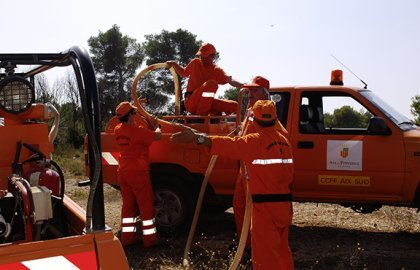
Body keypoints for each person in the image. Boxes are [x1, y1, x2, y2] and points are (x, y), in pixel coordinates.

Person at [171, 100, 295, 269]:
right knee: (281, 250)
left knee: (265, 256)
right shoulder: (284, 141)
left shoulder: (254, 141)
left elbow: (225, 145)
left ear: (254, 120)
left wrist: (197, 138)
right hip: (284, 206)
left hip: (264, 208)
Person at [114, 101, 162, 248]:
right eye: (133, 113)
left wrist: (135, 105)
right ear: (129, 116)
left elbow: (133, 130)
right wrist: (157, 124)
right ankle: (150, 240)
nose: (135, 115)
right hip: (138, 174)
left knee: (128, 206)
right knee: (146, 207)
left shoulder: (118, 129)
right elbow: (158, 136)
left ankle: (128, 239)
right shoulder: (138, 132)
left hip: (123, 173)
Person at [166, 43, 243, 115]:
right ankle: (201, 116)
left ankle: (212, 115)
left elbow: (230, 80)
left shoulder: (217, 70)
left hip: (206, 103)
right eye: (201, 56)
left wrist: (243, 85)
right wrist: (174, 64)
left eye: (205, 57)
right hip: (191, 102)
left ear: (212, 56)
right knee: (212, 84)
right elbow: (183, 73)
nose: (202, 59)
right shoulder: (195, 63)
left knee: (235, 106)